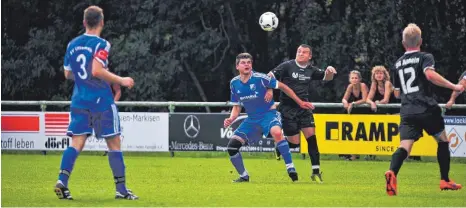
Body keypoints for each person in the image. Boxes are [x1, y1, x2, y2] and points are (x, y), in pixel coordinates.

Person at [55, 6, 138, 200]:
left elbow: (67, 74)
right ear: (102, 22)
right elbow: (96, 70)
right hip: (100, 100)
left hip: (79, 98)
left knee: (76, 142)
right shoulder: (102, 44)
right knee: (114, 142)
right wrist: (121, 80)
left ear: (84, 22)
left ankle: (62, 180)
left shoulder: (72, 44)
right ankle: (121, 190)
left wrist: (85, 82)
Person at [385, 23, 463, 196]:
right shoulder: (425, 57)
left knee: (405, 147)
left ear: (403, 43)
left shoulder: (397, 63)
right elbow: (429, 75)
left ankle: (392, 173)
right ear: (420, 41)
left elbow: (397, 93)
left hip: (407, 110)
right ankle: (445, 180)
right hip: (426, 107)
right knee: (442, 141)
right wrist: (454, 86)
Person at [224, 53, 315, 183]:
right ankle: (244, 176)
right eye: (243, 63)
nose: (247, 65)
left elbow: (283, 86)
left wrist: (300, 102)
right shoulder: (234, 83)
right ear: (237, 66)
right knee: (232, 148)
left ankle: (290, 168)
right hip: (252, 119)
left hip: (268, 114)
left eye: (249, 62)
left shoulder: (260, 78)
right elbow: (237, 107)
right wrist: (231, 119)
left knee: (277, 132)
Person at [266, 44, 336, 183]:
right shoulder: (287, 66)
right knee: (295, 143)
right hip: (287, 108)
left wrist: (329, 72)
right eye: (299, 51)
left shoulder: (311, 70)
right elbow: (268, 76)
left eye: (304, 52)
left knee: (311, 137)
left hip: (304, 107)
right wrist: (269, 90)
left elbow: (327, 78)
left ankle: (316, 172)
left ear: (310, 56)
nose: (301, 53)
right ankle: (281, 146)